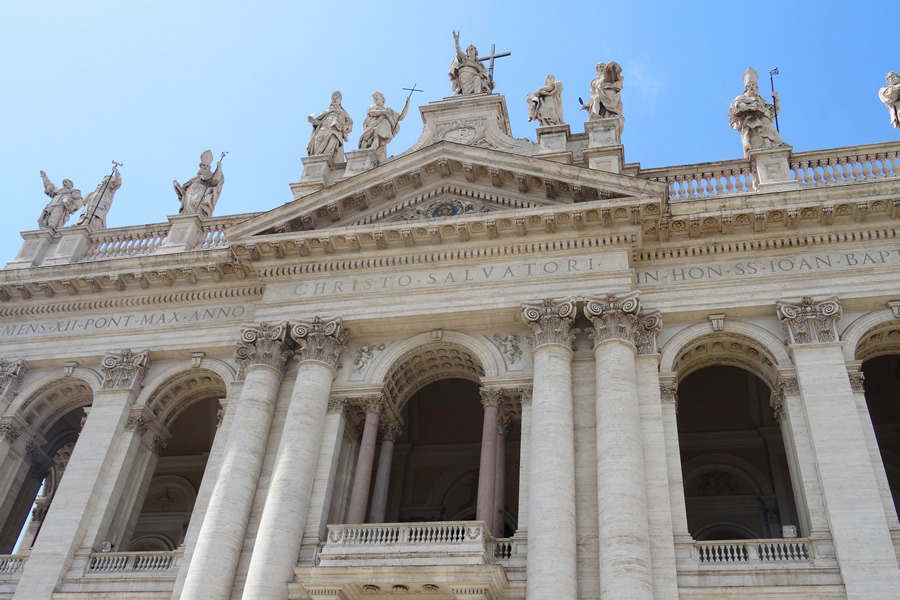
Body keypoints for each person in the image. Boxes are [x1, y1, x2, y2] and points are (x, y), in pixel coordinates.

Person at [728, 67, 785, 154]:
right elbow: (736, 106)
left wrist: (776, 100)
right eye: (750, 86)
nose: (752, 88)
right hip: (750, 122)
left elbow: (773, 113)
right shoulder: (740, 98)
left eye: (754, 86)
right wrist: (750, 107)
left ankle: (778, 145)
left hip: (763, 121)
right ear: (746, 88)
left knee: (768, 127)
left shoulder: (760, 100)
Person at [358, 91, 410, 162]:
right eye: (374, 97)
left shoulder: (389, 110)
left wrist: (407, 104)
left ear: (382, 99)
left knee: (379, 138)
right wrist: (384, 112)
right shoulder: (372, 107)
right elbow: (371, 112)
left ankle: (373, 154)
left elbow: (401, 117)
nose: (375, 98)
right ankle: (370, 153)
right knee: (374, 137)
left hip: (382, 129)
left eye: (377, 96)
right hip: (372, 127)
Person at [174, 150, 224, 217]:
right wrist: (177, 186)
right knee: (188, 207)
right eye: (203, 165)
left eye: (207, 166)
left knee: (197, 205)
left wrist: (219, 168)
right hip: (189, 192)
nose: (205, 167)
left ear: (209, 168)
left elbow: (216, 180)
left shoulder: (210, 175)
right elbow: (184, 189)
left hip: (200, 191)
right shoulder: (195, 178)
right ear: (200, 166)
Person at [307, 91, 354, 162]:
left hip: (334, 130)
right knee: (317, 139)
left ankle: (325, 161)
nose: (334, 100)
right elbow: (319, 123)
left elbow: (350, 123)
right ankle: (316, 159)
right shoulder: (327, 111)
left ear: (340, 100)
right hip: (323, 128)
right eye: (333, 98)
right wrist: (313, 121)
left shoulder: (343, 112)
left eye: (336, 98)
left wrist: (344, 128)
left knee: (330, 145)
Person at [77, 165, 121, 229]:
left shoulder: (110, 189)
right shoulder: (93, 192)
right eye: (105, 177)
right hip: (88, 209)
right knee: (85, 218)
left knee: (95, 220)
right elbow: (83, 203)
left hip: (100, 209)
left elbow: (118, 182)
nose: (106, 179)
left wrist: (116, 172)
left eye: (109, 177)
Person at [449, 31, 491, 95]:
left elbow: (484, 75)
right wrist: (456, 40)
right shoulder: (464, 58)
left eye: (471, 49)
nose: (470, 51)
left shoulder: (479, 65)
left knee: (477, 78)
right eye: (468, 50)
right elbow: (458, 50)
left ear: (475, 52)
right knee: (477, 78)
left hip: (475, 78)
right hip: (464, 77)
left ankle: (477, 96)